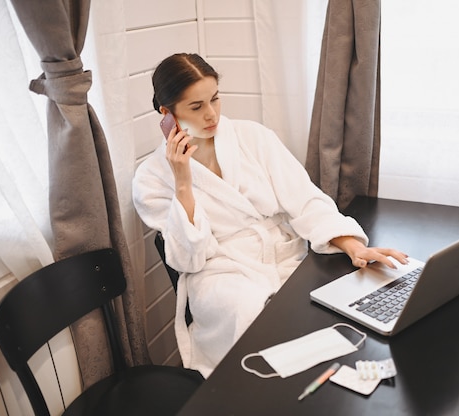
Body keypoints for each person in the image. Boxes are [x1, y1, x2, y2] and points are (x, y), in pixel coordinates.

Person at [132, 53, 408, 378]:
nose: (211, 114)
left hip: (284, 256)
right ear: (167, 114)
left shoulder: (253, 137)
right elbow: (189, 258)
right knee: (249, 318)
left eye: (215, 99)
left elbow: (305, 199)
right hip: (222, 272)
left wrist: (353, 246)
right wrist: (182, 182)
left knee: (340, 302)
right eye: (196, 107)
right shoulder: (151, 177)